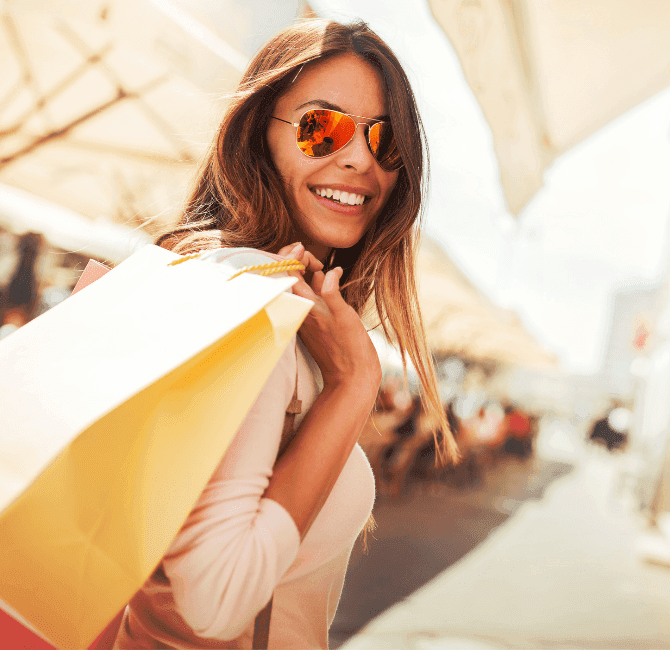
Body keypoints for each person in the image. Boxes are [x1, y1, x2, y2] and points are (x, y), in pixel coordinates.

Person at [112, 19, 459, 650]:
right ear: (257, 134)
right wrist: (354, 387)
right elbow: (213, 603)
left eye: (384, 141)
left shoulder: (274, 308)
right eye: (321, 126)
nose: (359, 159)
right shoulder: (245, 300)